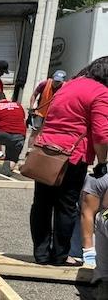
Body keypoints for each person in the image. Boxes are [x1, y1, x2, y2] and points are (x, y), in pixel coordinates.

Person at [29, 56, 108, 265]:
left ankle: (41, 254)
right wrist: (102, 162)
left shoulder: (68, 85)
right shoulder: (101, 92)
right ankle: (60, 256)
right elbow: (101, 134)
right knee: (66, 205)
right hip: (73, 155)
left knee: (42, 204)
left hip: (47, 151)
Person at [80, 163, 108, 300]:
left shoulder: (100, 177)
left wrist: (89, 251)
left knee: (102, 216)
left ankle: (104, 281)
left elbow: (88, 212)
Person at [0, 92, 27, 175]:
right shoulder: (18, 105)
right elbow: (24, 122)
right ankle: (8, 168)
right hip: (19, 136)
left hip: (3, 134)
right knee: (12, 159)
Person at [28, 69, 67, 142]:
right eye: (55, 80)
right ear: (53, 78)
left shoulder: (66, 87)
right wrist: (31, 106)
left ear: (63, 80)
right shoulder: (44, 84)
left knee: (46, 134)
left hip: (54, 115)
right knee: (34, 132)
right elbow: (34, 95)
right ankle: (29, 150)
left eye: (59, 82)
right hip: (40, 113)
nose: (56, 83)